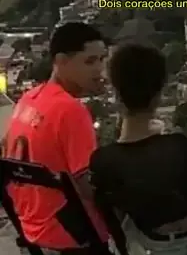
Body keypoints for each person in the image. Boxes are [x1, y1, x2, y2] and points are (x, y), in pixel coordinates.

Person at [90, 44, 187, 255]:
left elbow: (112, 220)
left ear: (116, 95)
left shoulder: (104, 160)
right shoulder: (179, 145)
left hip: (147, 246)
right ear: (159, 94)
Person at [2, 22, 110, 254]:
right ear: (61, 61)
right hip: (72, 237)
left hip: (33, 232)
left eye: (102, 59)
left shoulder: (29, 99)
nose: (99, 69)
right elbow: (87, 186)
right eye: (90, 61)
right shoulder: (70, 110)